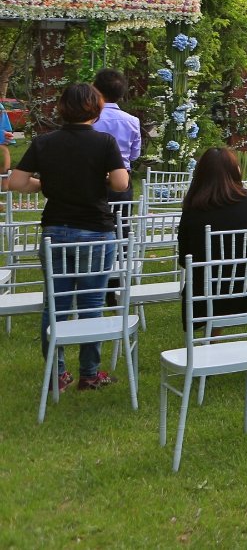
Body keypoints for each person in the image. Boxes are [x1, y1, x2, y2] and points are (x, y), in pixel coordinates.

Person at [6, 83, 130, 392]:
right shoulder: (104, 142)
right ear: (96, 109)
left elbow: (16, 182)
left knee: (55, 304)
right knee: (91, 303)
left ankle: (56, 373)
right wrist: (100, 178)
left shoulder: (44, 142)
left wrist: (45, 185)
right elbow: (120, 184)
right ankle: (89, 373)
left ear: (62, 108)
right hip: (95, 230)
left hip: (56, 230)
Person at [177, 148, 247, 365]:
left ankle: (211, 345)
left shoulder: (192, 208)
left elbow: (185, 257)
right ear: (235, 170)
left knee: (212, 279)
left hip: (207, 291)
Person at [90, 69, 141, 197]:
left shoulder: (89, 119)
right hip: (122, 178)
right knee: (121, 210)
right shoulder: (132, 121)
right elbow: (134, 155)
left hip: (92, 177)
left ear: (95, 90)